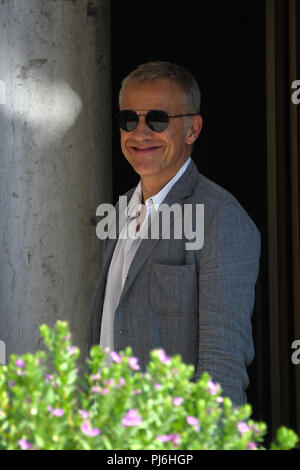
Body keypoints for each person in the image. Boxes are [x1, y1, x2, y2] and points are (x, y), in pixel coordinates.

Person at [87, 61, 261, 405]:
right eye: (128, 120)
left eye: (158, 119)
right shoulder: (119, 210)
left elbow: (222, 368)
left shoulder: (220, 217)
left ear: (192, 130)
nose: (140, 133)